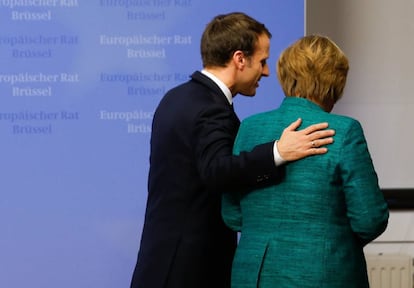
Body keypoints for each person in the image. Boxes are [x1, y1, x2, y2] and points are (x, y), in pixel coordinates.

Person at [130, 13, 336, 288]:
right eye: (262, 62)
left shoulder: (177, 97)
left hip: (163, 260)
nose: (266, 72)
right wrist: (279, 151)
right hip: (191, 267)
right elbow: (216, 172)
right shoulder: (210, 108)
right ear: (240, 59)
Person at [222, 34, 389, 288]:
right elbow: (370, 218)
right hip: (325, 273)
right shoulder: (344, 131)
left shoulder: (249, 128)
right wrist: (331, 238)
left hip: (254, 276)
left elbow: (232, 214)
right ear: (336, 80)